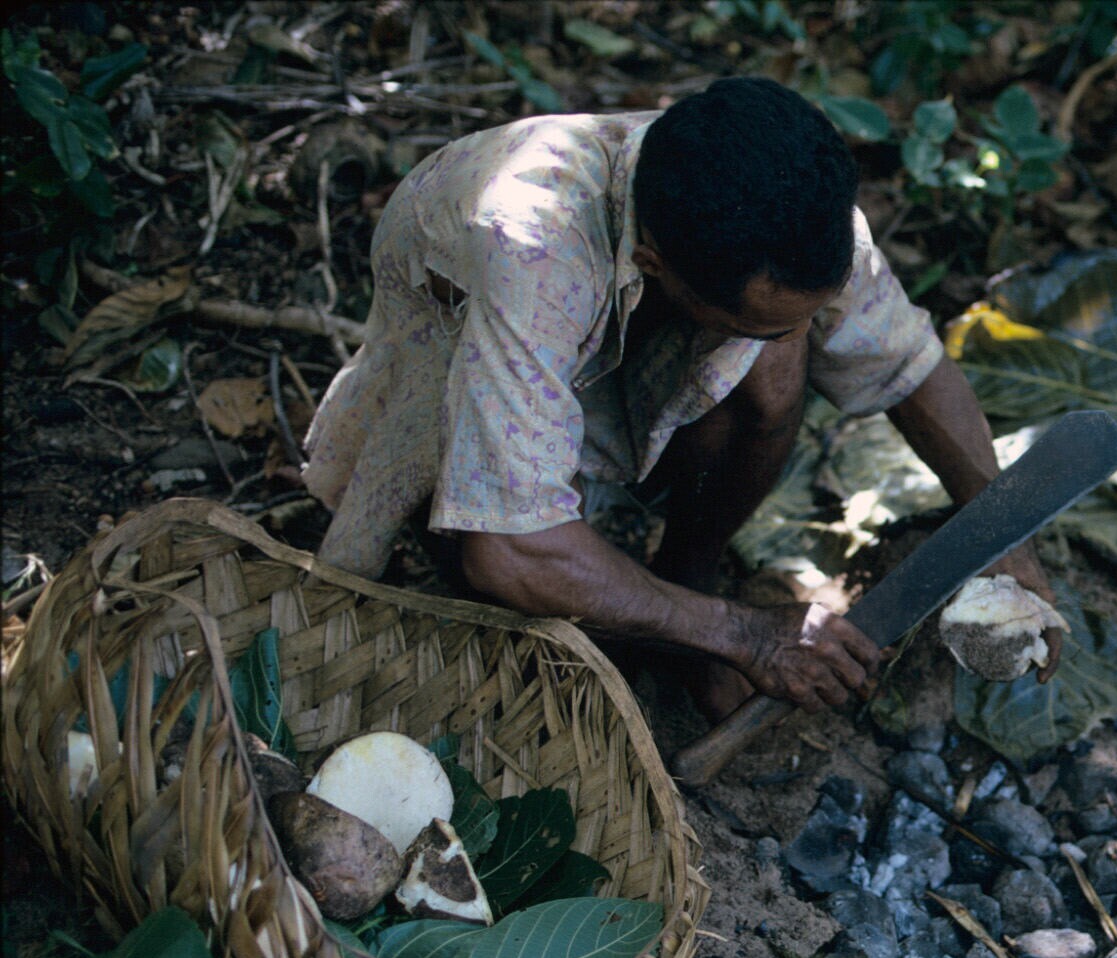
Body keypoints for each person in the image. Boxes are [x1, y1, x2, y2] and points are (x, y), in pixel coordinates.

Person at [303, 76, 1060, 721]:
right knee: (505, 588)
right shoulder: (532, 251)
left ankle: (685, 576)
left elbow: (911, 365)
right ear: (653, 263)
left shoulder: (787, 217)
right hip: (463, 342)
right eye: (762, 319)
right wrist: (744, 633)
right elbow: (507, 550)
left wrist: (1003, 533)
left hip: (615, 322)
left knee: (775, 361)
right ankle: (676, 621)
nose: (804, 331)